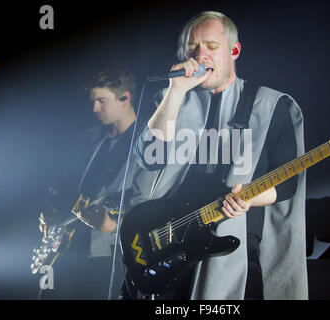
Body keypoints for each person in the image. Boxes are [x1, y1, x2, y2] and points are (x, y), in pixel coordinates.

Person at [124, 11, 307, 300]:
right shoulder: (169, 100)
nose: (201, 55)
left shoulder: (271, 104)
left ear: (234, 51)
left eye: (211, 46)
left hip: (235, 250)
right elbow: (149, 157)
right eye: (193, 48)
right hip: (171, 243)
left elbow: (288, 183)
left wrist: (246, 198)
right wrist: (176, 92)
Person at [38, 67, 153, 299]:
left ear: (125, 98)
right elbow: (63, 182)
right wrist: (50, 208)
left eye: (102, 101)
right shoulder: (90, 138)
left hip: (108, 256)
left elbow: (147, 205)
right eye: (93, 101)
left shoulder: (147, 141)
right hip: (71, 250)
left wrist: (112, 225)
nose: (95, 109)